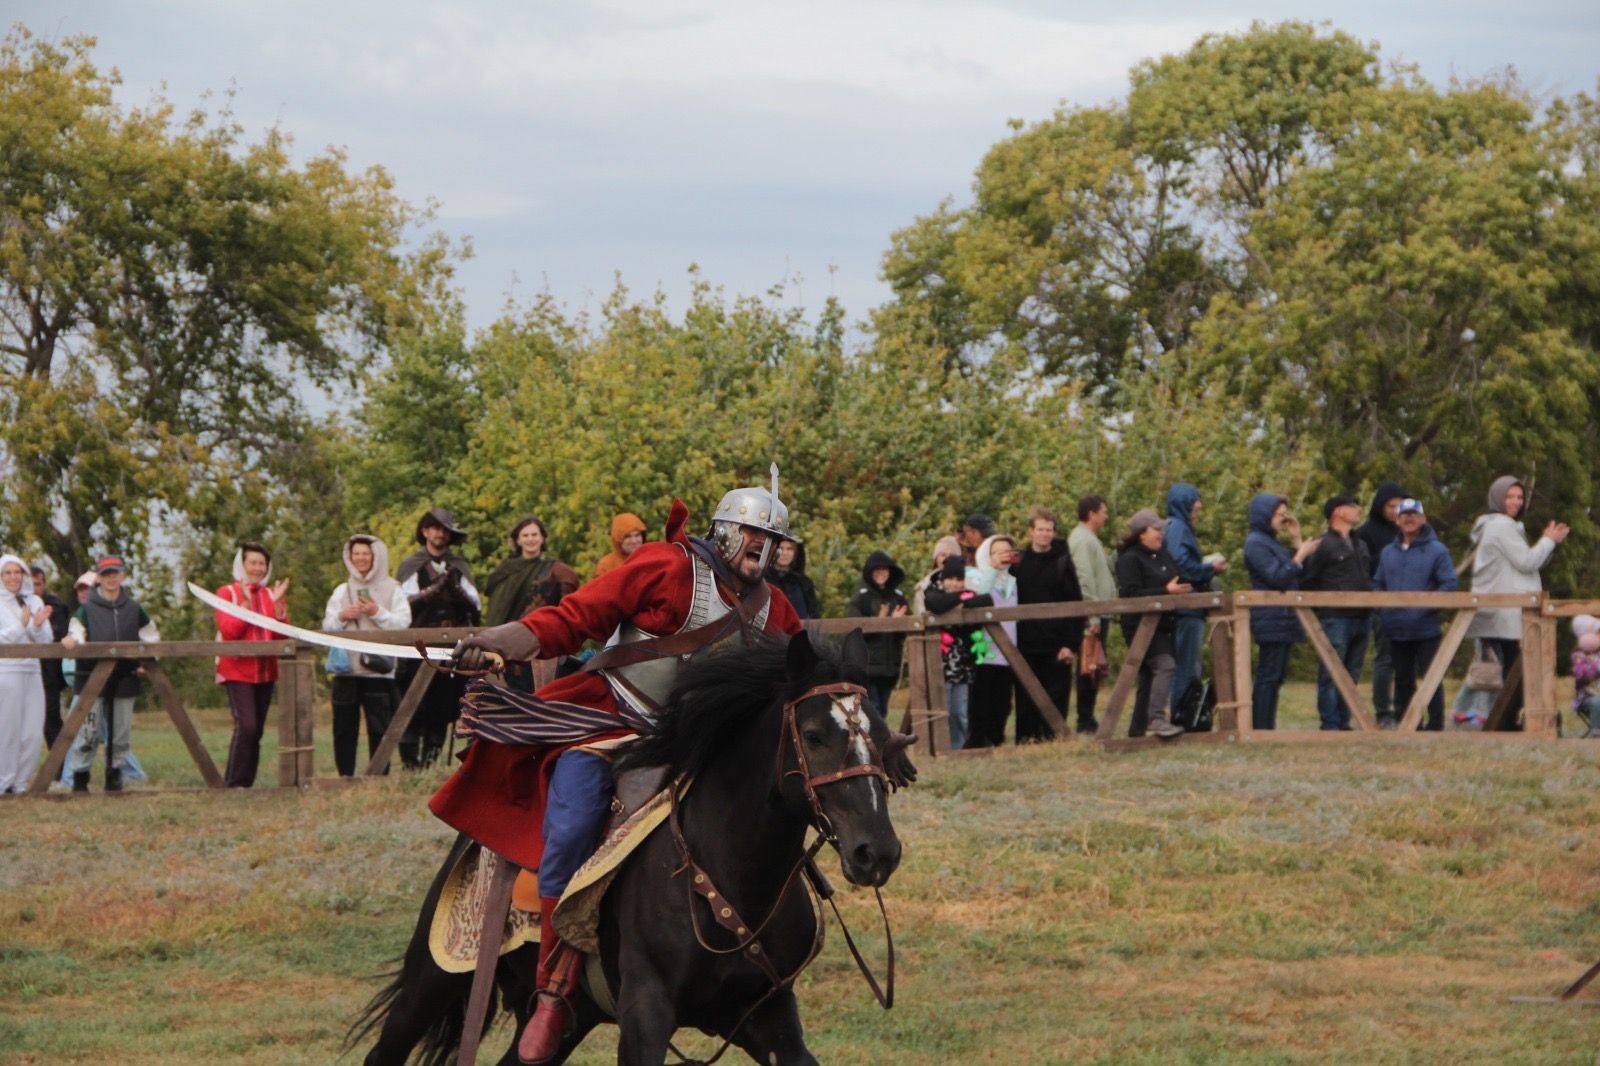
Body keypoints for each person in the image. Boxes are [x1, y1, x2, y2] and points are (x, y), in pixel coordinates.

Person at [432, 480, 813, 1064]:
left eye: (773, 539)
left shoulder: (775, 608)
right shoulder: (665, 565)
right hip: (613, 725)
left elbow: (806, 679)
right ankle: (555, 988)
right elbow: (576, 615)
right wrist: (502, 641)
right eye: (756, 534)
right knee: (573, 819)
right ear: (729, 529)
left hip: (703, 754)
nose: (763, 548)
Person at [1465, 475, 1568, 732]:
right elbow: (1527, 562)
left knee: (1516, 671)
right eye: (1509, 496)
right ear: (1497, 498)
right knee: (1517, 673)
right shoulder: (1501, 526)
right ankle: (1504, 723)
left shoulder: (1503, 525)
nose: (1515, 502)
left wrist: (1547, 544)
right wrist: (1548, 541)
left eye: (1519, 497)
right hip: (1504, 612)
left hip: (1504, 611)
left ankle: (1506, 722)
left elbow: (1525, 565)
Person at [61, 555, 160, 791]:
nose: (111, 578)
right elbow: (76, 632)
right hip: (91, 677)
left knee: (121, 732)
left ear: (122, 575)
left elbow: (151, 637)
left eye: (115, 573)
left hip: (125, 677)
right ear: (99, 578)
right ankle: (80, 776)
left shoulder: (134, 608)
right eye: (106, 574)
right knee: (88, 730)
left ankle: (114, 774)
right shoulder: (86, 609)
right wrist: (72, 641)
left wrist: (147, 662)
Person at [396, 507, 482, 768]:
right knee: (413, 705)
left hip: (449, 647)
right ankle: (412, 765)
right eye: (434, 528)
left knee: (441, 706)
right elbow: (401, 606)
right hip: (418, 646)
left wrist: (456, 590)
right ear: (425, 531)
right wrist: (432, 591)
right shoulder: (412, 565)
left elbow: (475, 608)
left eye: (444, 529)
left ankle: (431, 763)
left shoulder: (458, 567)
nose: (439, 534)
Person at [323, 535, 411, 777]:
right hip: (346, 670)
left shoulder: (393, 588)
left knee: (379, 728)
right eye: (356, 554)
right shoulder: (341, 590)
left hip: (379, 670)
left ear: (375, 556)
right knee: (343, 729)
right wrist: (343, 616)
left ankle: (378, 778)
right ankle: (345, 778)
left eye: (365, 553)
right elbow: (327, 625)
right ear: (349, 558)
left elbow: (403, 623)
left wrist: (377, 612)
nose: (360, 558)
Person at [1372, 499, 1458, 731]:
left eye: (1414, 514)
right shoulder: (1388, 552)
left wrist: (1425, 608)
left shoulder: (1438, 550)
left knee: (1431, 677)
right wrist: (1384, 609)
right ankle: (1407, 722)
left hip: (1426, 627)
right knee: (1402, 678)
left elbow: (1449, 585)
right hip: (1395, 627)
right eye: (1404, 515)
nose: (1409, 519)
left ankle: (1436, 723)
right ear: (1397, 520)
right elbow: (1377, 584)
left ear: (1422, 518)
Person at [214, 543, 291, 787]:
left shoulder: (271, 594)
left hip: (266, 671)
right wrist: (245, 607)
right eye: (253, 563)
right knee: (246, 726)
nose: (257, 568)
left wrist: (277, 607)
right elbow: (229, 632)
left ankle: (246, 783)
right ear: (242, 564)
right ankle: (234, 782)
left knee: (256, 730)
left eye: (262, 564)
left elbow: (281, 636)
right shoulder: (228, 593)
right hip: (237, 670)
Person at [1243, 495, 1318, 730]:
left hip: (1283, 617)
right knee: (1269, 675)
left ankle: (1267, 725)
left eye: (1285, 514)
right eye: (1279, 514)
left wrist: (1296, 540)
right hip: (1270, 616)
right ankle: (1261, 727)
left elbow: (1300, 576)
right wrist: (1301, 554)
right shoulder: (1256, 543)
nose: (1283, 519)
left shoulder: (1272, 542)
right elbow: (1279, 577)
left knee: (1277, 675)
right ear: (1265, 515)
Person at [1010, 505, 1085, 741]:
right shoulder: (1019, 563)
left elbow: (1075, 604)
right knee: (1025, 697)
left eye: (1049, 530)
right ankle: (1026, 741)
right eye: (1040, 529)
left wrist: (1070, 644)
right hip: (1025, 642)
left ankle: (1054, 740)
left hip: (1056, 642)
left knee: (1056, 695)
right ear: (1031, 531)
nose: (1045, 534)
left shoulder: (1062, 561)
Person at [1298, 496, 1372, 730]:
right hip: (1335, 617)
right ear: (1338, 511)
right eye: (1353, 506)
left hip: (1362, 616)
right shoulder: (1322, 544)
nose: (1359, 510)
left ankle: (1344, 720)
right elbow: (1308, 579)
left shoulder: (1360, 544)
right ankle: (1329, 723)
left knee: (1352, 672)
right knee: (1332, 670)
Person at [1115, 511, 1190, 739]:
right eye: (1156, 529)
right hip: (1141, 625)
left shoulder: (1163, 554)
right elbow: (1130, 594)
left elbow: (1178, 577)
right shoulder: (1129, 559)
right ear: (1141, 534)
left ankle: (1137, 732)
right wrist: (1165, 591)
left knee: (1149, 677)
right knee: (1165, 665)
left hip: (1165, 623)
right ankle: (1156, 719)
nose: (1162, 533)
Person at [483, 516, 580, 691]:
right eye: (525, 535)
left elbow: (569, 600)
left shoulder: (555, 569)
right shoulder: (506, 571)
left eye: (534, 534)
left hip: (542, 642)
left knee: (541, 694)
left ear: (542, 538)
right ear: (518, 540)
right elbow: (497, 609)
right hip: (510, 640)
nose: (530, 539)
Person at [1164, 483, 1228, 719]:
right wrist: (1209, 568)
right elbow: (1181, 565)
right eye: (1194, 500)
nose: (1199, 505)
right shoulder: (1178, 527)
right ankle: (1181, 716)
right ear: (1184, 502)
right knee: (1187, 664)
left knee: (1186, 663)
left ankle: (1182, 714)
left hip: (1186, 606)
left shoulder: (1175, 527)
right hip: (1187, 607)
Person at [923, 553, 990, 750]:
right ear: (943, 578)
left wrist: (964, 601)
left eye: (959, 579)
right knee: (943, 709)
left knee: (960, 712)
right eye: (950, 579)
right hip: (939, 664)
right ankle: (940, 748)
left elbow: (986, 600)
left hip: (963, 665)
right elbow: (935, 603)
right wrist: (961, 598)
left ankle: (958, 748)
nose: (954, 583)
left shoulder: (969, 593)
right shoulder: (932, 592)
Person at [0, 555, 53, 793]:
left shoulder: (34, 600)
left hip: (32, 670)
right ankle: (3, 780)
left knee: (32, 729)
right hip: (6, 670)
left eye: (17, 572)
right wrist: (20, 626)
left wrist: (38, 625)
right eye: (8, 573)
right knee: (7, 728)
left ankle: (21, 781)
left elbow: (46, 640)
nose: (13, 577)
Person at [1356, 482, 1407, 726]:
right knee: (1385, 658)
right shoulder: (1367, 532)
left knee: (1406, 659)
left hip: (1410, 603)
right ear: (1381, 505)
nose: (1396, 510)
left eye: (1400, 506)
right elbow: (1365, 568)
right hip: (1382, 603)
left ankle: (1404, 708)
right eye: (1391, 505)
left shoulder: (1411, 529)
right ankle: (1383, 711)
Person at [965, 533, 1020, 747]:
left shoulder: (1014, 580)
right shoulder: (976, 575)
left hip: (1008, 648)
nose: (1003, 556)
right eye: (998, 552)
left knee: (1003, 702)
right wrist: (992, 569)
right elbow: (980, 597)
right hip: (984, 648)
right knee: (981, 699)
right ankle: (978, 741)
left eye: (1007, 551)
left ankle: (997, 739)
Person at [1068, 495, 1115, 734]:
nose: (1106, 516)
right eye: (1103, 511)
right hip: (1091, 614)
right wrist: (1093, 614)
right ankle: (1084, 719)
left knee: (1094, 665)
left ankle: (1088, 717)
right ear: (1092, 513)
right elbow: (1084, 578)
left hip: (1100, 611)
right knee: (1089, 664)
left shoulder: (1090, 539)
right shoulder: (1081, 540)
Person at [846, 550, 910, 717]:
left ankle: (879, 741)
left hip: (891, 664)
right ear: (870, 573)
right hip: (868, 666)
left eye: (885, 569)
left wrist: (897, 623)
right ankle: (874, 741)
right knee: (873, 707)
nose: (881, 573)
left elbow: (906, 631)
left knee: (884, 709)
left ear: (890, 572)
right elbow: (852, 629)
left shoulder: (898, 597)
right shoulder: (861, 598)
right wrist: (878, 622)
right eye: (877, 570)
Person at [30, 566, 70, 749]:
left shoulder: (53, 605)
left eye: (37, 584)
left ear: (44, 584)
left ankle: (59, 766)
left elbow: (59, 633)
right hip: (24, 669)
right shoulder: (13, 604)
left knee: (51, 718)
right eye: (29, 584)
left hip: (49, 672)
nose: (33, 588)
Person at [765, 536, 821, 620]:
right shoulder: (763, 579)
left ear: (795, 552)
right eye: (780, 548)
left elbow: (814, 614)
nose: (784, 553)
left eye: (789, 549)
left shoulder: (804, 582)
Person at [911, 535, 963, 615]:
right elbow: (919, 614)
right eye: (943, 555)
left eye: (951, 555)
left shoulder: (969, 579)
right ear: (936, 559)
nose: (947, 559)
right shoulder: (924, 586)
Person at [593, 512, 647, 579]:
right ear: (617, 539)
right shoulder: (606, 565)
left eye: (637, 535)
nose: (634, 541)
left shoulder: (650, 560)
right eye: (627, 537)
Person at [1571, 616, 1600, 738]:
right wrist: (1595, 669)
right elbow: (1581, 674)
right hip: (1587, 697)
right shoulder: (1579, 657)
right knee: (1597, 702)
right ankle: (1596, 730)